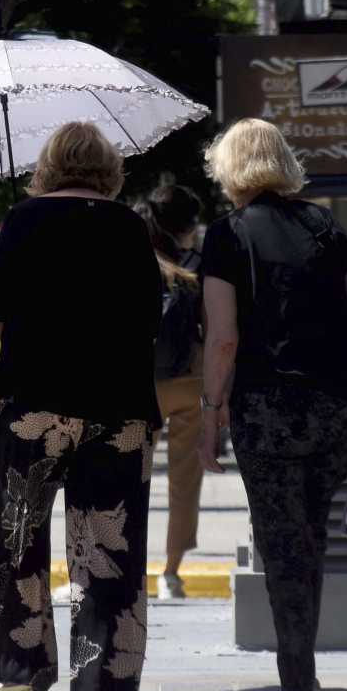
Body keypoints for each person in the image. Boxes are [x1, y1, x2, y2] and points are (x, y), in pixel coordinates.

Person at [0, 121, 162, 691]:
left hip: (35, 407)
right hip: (119, 412)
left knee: (21, 540)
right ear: (109, 168)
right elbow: (151, 317)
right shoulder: (131, 228)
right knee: (109, 548)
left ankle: (22, 678)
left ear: (48, 165)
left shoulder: (25, 221)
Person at [198, 118, 347, 691]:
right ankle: (302, 674)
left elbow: (223, 340)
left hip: (271, 410)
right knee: (309, 537)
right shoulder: (327, 227)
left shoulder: (227, 236)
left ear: (230, 170)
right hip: (342, 408)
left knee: (284, 544)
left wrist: (210, 416)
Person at [134, 183, 205, 600]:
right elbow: (213, 331)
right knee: (184, 483)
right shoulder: (198, 264)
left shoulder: (133, 259)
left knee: (134, 482)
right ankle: (171, 573)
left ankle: (134, 568)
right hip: (189, 384)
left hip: (141, 388)